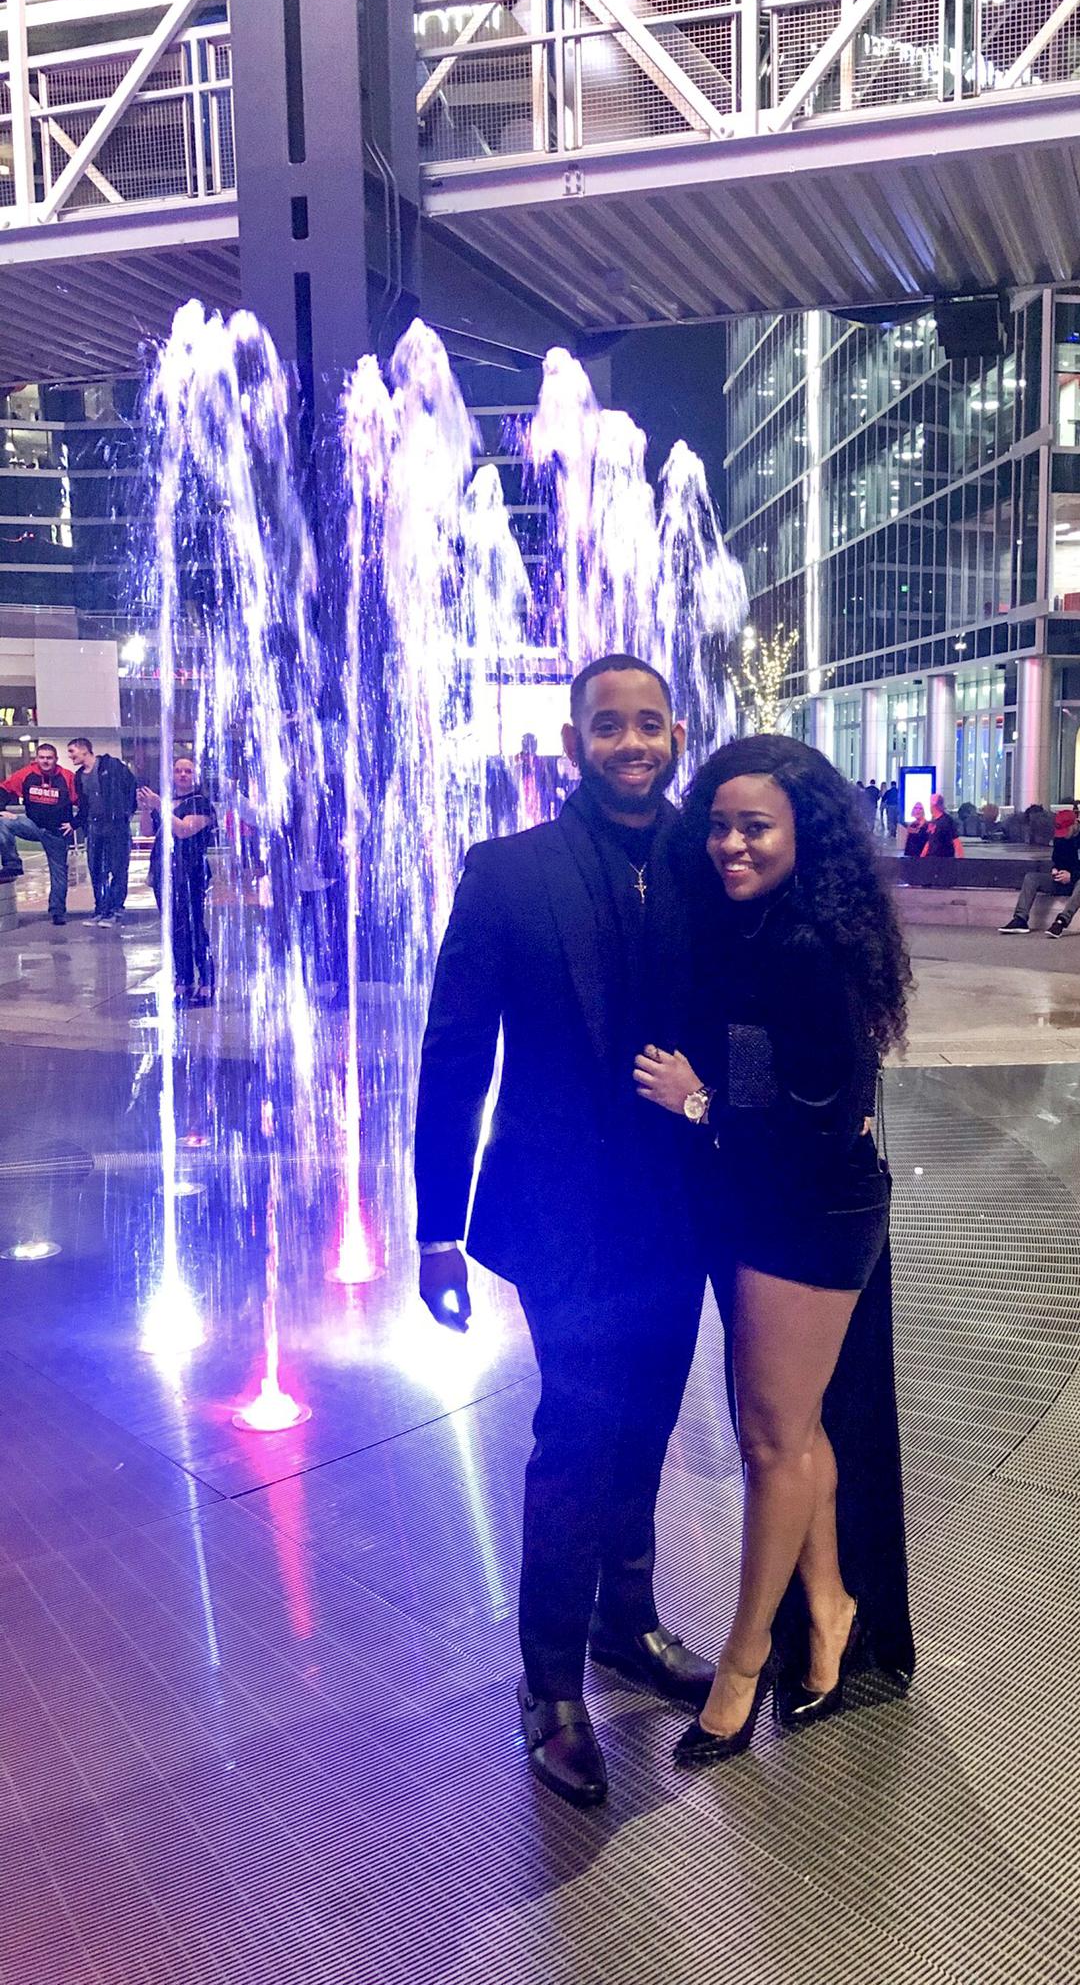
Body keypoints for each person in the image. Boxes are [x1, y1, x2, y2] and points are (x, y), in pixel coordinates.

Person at [413, 653, 713, 1813]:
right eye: (609, 724)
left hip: (678, 1206)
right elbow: (454, 1055)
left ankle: (625, 1619)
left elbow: (749, 1018)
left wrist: (719, 1107)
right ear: (575, 739)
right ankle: (548, 1684)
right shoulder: (509, 871)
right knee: (579, 1431)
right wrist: (437, 1227)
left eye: (649, 722)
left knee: (646, 1424)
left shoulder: (706, 860)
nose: (632, 742)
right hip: (558, 1212)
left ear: (676, 732)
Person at [634, 735, 914, 1768]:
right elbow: (778, 1087)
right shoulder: (753, 925)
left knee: (768, 1443)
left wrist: (695, 1102)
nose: (731, 844)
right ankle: (830, 1610)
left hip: (812, 1211)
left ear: (805, 835)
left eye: (755, 827)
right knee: (790, 1429)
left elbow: (823, 1123)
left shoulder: (807, 947)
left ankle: (743, 1664)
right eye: (718, 825)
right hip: (764, 1204)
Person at [139, 756, 216, 1005]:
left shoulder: (201, 803)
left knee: (194, 925)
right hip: (165, 871)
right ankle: (183, 977)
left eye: (188, 771)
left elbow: (184, 830)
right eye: (178, 771)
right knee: (174, 927)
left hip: (190, 872)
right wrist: (146, 809)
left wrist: (160, 806)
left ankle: (206, 979)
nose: (182, 775)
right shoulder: (166, 801)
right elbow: (147, 831)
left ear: (195, 776)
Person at [999, 805, 1080, 938]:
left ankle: (1062, 921)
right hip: (1063, 879)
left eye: (1066, 830)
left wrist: (1072, 876)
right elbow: (1057, 859)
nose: (1064, 835)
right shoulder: (1060, 838)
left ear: (1074, 825)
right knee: (1031, 878)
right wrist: (1056, 870)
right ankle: (1020, 919)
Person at [0, 743, 78, 926]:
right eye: (42, 757)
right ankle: (12, 863)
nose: (45, 761)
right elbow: (4, 789)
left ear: (56, 759)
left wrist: (74, 824)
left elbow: (83, 801)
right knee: (2, 822)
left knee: (59, 874)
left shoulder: (67, 777)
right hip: (33, 826)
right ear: (37, 759)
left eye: (49, 758)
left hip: (57, 832)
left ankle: (57, 912)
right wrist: (1, 809)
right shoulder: (26, 774)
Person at [67, 737, 137, 923]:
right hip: (94, 827)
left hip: (116, 826)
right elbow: (83, 805)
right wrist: (76, 823)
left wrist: (125, 813)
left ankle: (116, 909)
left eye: (72, 751)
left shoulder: (111, 766)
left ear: (84, 750)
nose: (70, 756)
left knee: (118, 867)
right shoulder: (79, 776)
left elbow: (131, 786)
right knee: (97, 870)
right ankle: (101, 908)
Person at [923, 792, 959, 857]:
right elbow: (930, 841)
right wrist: (923, 855)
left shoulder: (947, 820)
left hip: (944, 857)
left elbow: (955, 840)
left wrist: (960, 858)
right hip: (932, 857)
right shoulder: (933, 821)